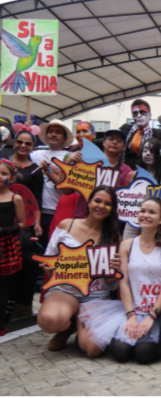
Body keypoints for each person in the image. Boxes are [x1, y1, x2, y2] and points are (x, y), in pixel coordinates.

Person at [79, 198, 161, 364]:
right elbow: (125, 283)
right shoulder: (127, 245)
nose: (145, 215)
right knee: (119, 352)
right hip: (134, 309)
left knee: (144, 354)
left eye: (152, 212)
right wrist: (131, 317)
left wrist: (151, 316)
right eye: (143, 211)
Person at [36, 186, 121, 353]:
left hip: (95, 296)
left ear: (112, 209)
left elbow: (112, 282)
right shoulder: (66, 225)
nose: (101, 206)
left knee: (92, 349)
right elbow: (49, 261)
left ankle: (77, 324)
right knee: (48, 320)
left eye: (107, 203)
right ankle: (66, 327)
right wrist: (48, 267)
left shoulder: (113, 237)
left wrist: (115, 270)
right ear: (88, 202)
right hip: (65, 291)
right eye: (97, 200)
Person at [8, 125, 44, 319]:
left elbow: (37, 200)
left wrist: (37, 223)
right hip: (4, 220)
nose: (23, 145)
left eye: (27, 143)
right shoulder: (3, 164)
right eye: (20, 142)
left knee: (26, 263)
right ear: (14, 142)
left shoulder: (36, 170)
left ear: (33, 147)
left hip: (25, 225)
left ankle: (23, 305)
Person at [31, 119, 73, 250]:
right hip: (40, 213)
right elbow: (21, 147)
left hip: (62, 213)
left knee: (58, 250)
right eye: (51, 132)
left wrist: (49, 170)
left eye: (58, 132)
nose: (53, 134)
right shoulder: (35, 155)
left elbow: (65, 186)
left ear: (64, 137)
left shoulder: (70, 157)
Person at [123, 138, 161, 239]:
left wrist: (155, 209)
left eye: (153, 151)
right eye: (145, 150)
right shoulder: (131, 175)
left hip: (157, 226)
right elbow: (122, 202)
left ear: (160, 154)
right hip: (131, 225)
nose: (148, 154)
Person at [0, 160, 26, 336]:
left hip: (5, 245)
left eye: (3, 174)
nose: (0, 177)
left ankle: (0, 324)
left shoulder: (15, 198)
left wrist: (5, 230)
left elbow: (23, 223)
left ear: (12, 178)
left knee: (2, 286)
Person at [120, 99, 161, 169]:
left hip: (145, 171)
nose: (139, 116)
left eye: (143, 112)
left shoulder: (157, 133)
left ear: (150, 115)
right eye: (135, 113)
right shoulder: (125, 128)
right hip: (126, 170)